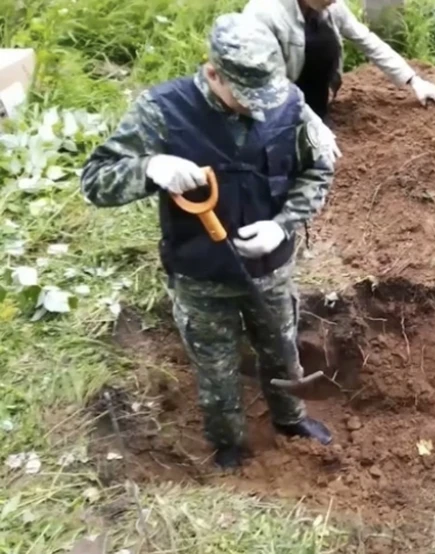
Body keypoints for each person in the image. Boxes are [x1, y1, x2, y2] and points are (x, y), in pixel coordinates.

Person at [79, 12, 338, 469]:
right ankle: (228, 443)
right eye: (245, 97)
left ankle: (290, 418)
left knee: (282, 350)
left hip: (270, 269)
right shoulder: (162, 110)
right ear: (213, 72)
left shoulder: (287, 102)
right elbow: (96, 182)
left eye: (265, 97)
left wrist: (284, 223)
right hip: (200, 274)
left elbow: (317, 170)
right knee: (216, 368)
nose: (258, 109)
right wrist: (149, 169)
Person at [243, 0, 435, 127]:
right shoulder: (263, 13)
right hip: (276, 113)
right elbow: (260, 82)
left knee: (323, 39)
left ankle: (318, 109)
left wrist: (414, 80)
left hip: (316, 105)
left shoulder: (331, 6)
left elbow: (367, 40)